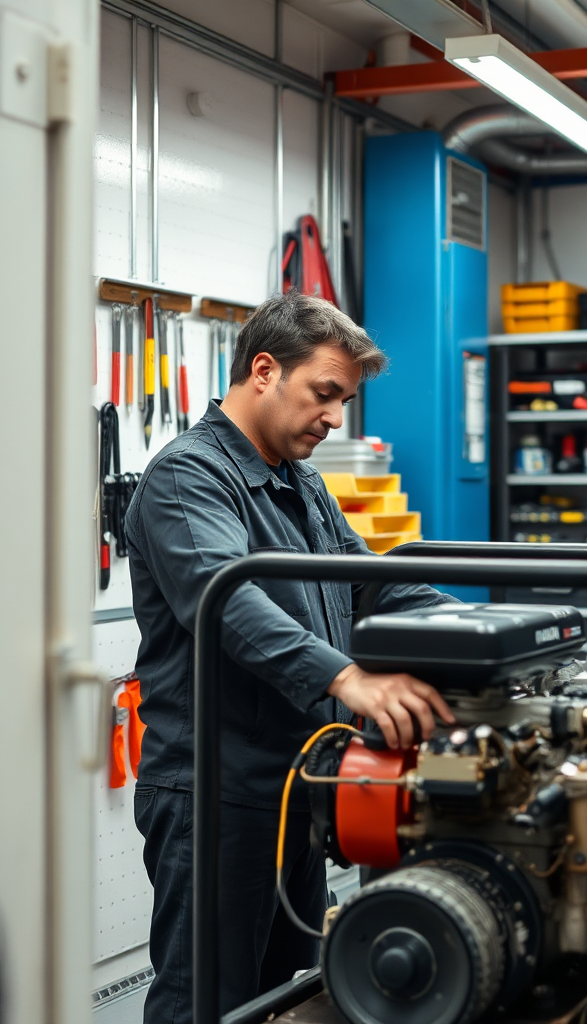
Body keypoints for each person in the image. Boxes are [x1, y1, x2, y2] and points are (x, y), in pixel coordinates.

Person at [125, 292, 457, 1024]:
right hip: (219, 796)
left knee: (290, 999)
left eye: (344, 401)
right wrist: (348, 678)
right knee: (206, 1001)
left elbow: (371, 583)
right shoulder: (187, 478)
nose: (335, 417)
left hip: (301, 785)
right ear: (265, 370)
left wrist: (486, 631)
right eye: (325, 393)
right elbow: (225, 599)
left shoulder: (300, 482)